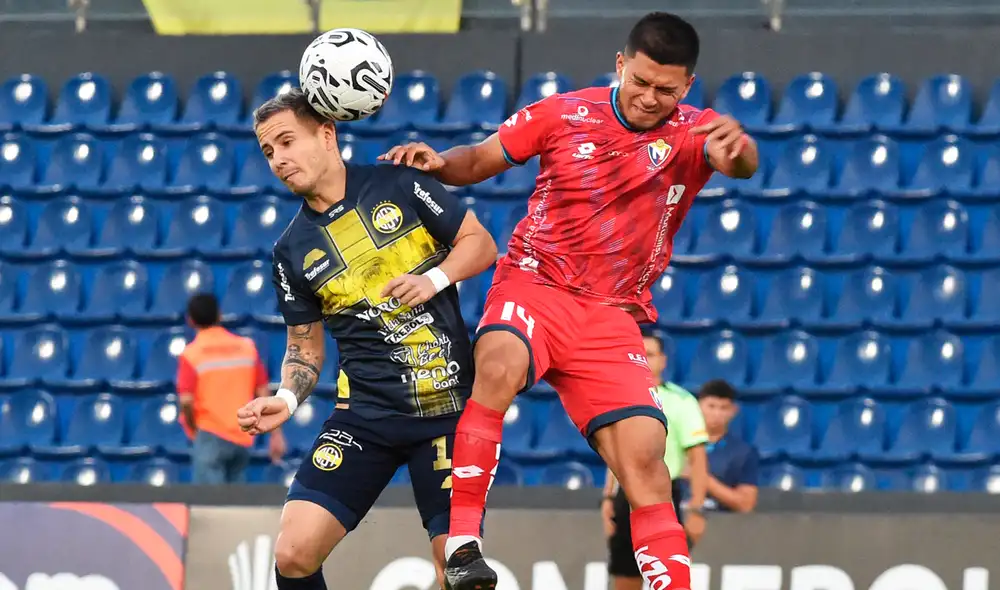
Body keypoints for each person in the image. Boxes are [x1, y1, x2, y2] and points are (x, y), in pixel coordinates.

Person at [381, 11, 759, 589]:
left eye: (665, 90)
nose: (649, 98)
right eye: (640, 81)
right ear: (620, 65)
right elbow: (479, 159)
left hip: (611, 314)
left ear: (687, 86)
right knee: (497, 365)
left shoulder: (698, 132)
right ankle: (462, 546)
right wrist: (439, 163)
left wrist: (743, 149)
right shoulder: (562, 113)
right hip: (535, 284)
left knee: (646, 457)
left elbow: (739, 165)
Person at [234, 88, 497, 590]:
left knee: (458, 570)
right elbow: (304, 348)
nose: (278, 159)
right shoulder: (291, 250)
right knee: (293, 553)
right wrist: (286, 398)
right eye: (268, 151)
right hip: (365, 417)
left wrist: (433, 280)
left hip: (447, 414)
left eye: (287, 142)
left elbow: (480, 243)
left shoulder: (399, 182)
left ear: (326, 134)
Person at [602, 327, 708, 590]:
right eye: (638, 354)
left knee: (669, 573)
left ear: (663, 360)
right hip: (626, 492)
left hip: (665, 494)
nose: (643, 360)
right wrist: (608, 498)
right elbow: (614, 452)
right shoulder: (619, 398)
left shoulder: (682, 401)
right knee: (625, 574)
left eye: (649, 354)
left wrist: (697, 508)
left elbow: (697, 458)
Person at [177, 292, 286, 484]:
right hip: (242, 435)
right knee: (235, 501)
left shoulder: (191, 354)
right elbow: (264, 393)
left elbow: (186, 401)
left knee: (209, 501)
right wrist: (276, 434)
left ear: (190, 320)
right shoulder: (246, 348)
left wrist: (193, 428)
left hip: (209, 434)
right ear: (219, 315)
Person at [698, 379, 760, 513]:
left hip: (719, 521)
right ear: (698, 407)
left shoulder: (744, 453)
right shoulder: (675, 445)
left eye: (723, 408)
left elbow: (746, 504)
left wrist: (702, 478)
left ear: (733, 411)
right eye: (711, 406)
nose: (717, 414)